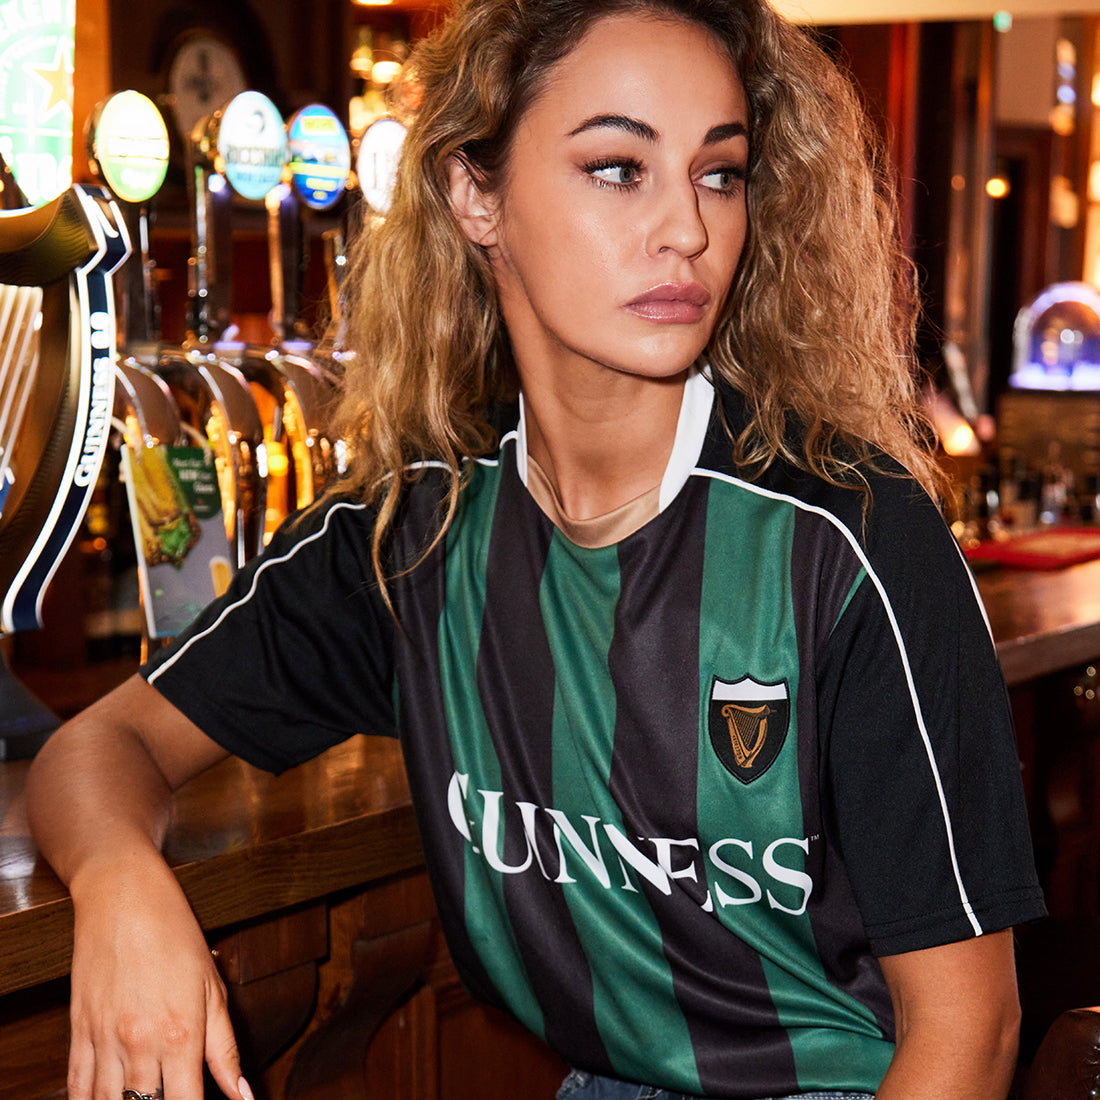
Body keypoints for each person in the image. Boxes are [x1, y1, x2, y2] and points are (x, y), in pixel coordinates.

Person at [27, 0, 1046, 1098]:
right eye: (617, 168)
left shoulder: (844, 538)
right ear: (476, 195)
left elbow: (969, 1030)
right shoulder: (416, 532)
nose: (687, 230)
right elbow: (99, 747)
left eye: (719, 174)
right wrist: (122, 884)